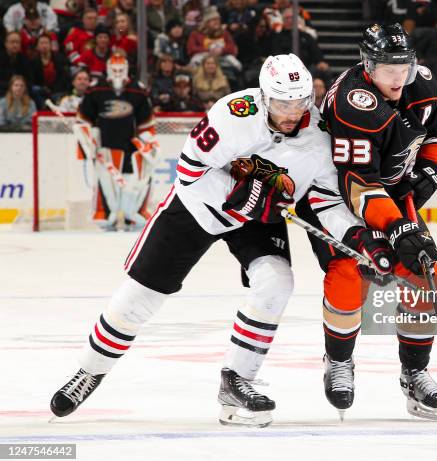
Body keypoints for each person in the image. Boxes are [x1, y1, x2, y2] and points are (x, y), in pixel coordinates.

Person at [49, 53, 364, 428]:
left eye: (299, 102)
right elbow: (188, 171)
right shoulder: (233, 113)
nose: (291, 112)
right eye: (282, 102)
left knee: (277, 280)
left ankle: (237, 382)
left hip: (255, 218)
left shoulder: (320, 137)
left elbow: (327, 200)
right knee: (140, 298)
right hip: (198, 207)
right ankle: (90, 370)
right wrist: (242, 191)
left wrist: (360, 241)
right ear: (264, 96)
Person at [299, 23, 437, 421]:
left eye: (404, 66)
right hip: (335, 195)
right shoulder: (353, 101)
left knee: (426, 276)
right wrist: (396, 226)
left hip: (388, 191)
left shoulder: (420, 83)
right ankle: (338, 361)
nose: (398, 76)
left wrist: (430, 169)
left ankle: (415, 373)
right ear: (367, 65)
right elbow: (357, 184)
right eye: (389, 68)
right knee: (348, 273)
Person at [72, 52, 159, 231]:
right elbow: (84, 118)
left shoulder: (137, 90)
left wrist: (146, 143)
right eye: (114, 70)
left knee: (135, 182)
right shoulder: (96, 89)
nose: (118, 73)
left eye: (121, 70)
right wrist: (88, 139)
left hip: (130, 148)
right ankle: (104, 214)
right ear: (108, 70)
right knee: (105, 183)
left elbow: (146, 122)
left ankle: (133, 215)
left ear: (127, 69)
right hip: (105, 148)